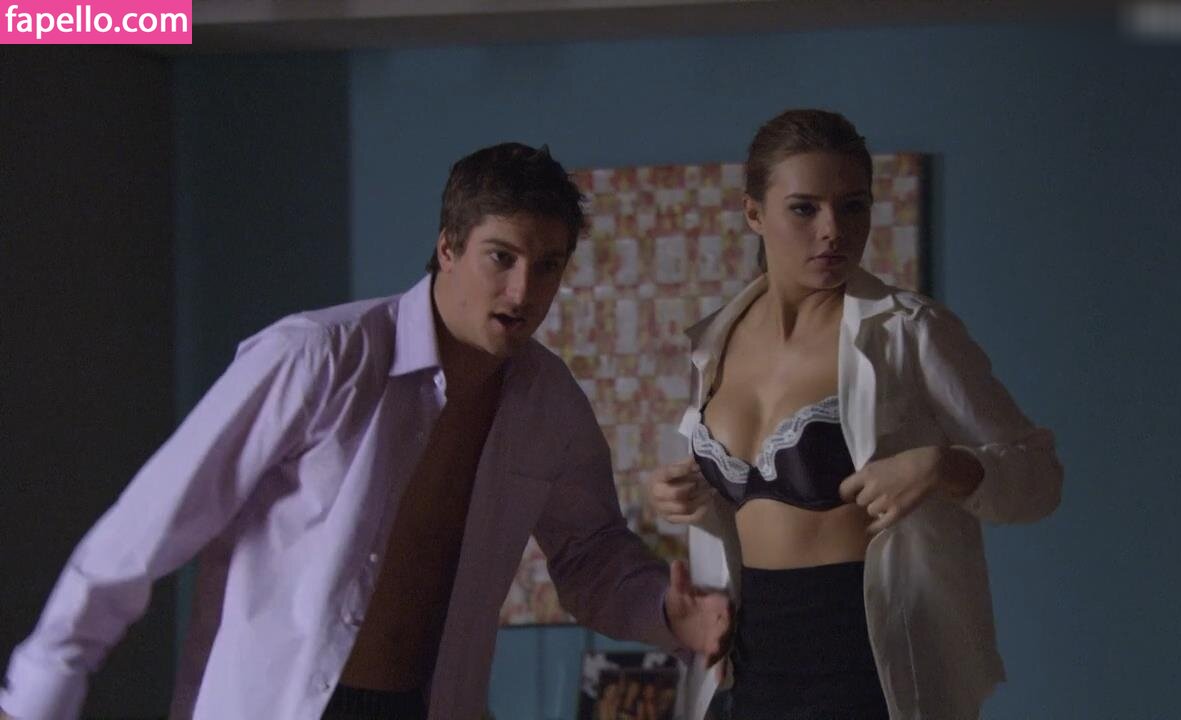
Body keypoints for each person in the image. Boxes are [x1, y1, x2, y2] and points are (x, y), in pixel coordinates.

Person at [1, 143, 730, 720]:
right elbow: (151, 522)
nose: (523, 291)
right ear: (448, 247)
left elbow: (590, 554)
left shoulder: (550, 403)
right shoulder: (318, 357)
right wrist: (44, 684)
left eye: (548, 267)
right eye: (501, 257)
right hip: (283, 704)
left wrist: (666, 613)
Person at [645, 109, 1063, 720]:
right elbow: (743, 511)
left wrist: (945, 468)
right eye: (804, 208)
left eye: (853, 207)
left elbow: (1040, 476)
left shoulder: (908, 332)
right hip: (746, 672)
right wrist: (683, 495)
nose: (833, 231)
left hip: (865, 669)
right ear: (753, 213)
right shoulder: (711, 345)